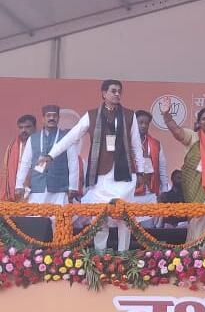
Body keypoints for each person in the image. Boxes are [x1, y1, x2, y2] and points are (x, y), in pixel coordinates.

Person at [40, 80, 145, 252]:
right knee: (99, 218)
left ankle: (124, 256)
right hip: (101, 176)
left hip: (124, 175)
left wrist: (140, 171)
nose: (117, 94)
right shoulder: (92, 115)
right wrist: (51, 154)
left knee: (125, 219)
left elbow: (136, 145)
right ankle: (100, 256)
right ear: (104, 93)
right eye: (113, 91)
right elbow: (72, 136)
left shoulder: (129, 115)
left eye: (119, 91)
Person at [161, 101, 205, 245]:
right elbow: (176, 131)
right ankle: (197, 253)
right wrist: (166, 115)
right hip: (195, 185)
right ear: (198, 122)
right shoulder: (192, 136)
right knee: (198, 219)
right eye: (204, 119)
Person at [14, 105, 78, 207]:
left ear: (58, 118)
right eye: (48, 116)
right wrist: (19, 185)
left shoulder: (67, 137)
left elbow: (73, 162)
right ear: (43, 119)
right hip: (38, 189)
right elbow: (25, 163)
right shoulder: (33, 138)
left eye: (54, 116)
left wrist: (73, 187)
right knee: (37, 216)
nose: (51, 118)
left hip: (59, 189)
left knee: (59, 216)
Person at [131, 110, 171, 227]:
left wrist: (164, 190)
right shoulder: (126, 143)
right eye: (140, 122)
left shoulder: (156, 144)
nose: (144, 125)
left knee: (149, 230)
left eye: (146, 123)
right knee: (129, 230)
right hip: (131, 194)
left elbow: (162, 168)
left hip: (150, 193)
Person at [3, 115, 36, 201]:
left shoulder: (40, 145)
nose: (23, 130)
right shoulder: (12, 147)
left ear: (35, 127)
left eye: (27, 127)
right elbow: (6, 171)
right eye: (21, 127)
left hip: (36, 190)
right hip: (17, 190)